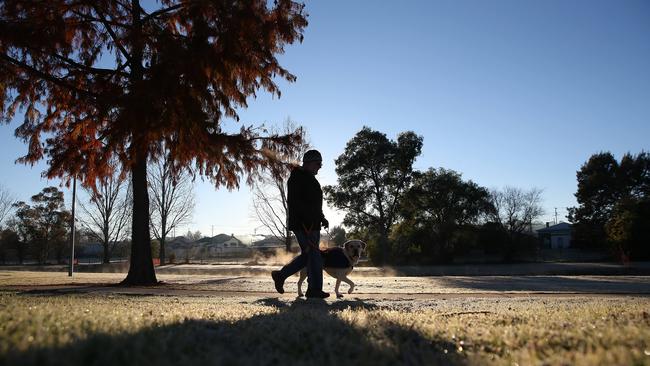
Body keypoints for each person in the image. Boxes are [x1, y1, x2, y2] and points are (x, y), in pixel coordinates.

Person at [271, 149, 330, 298]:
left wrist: (322, 218)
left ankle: (281, 275)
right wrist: (306, 221)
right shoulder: (297, 177)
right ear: (309, 162)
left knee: (308, 255)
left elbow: (315, 205)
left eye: (320, 164)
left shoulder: (310, 178)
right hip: (304, 224)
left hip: (312, 223)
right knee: (314, 255)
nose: (320, 167)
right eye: (318, 163)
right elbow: (295, 203)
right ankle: (314, 289)